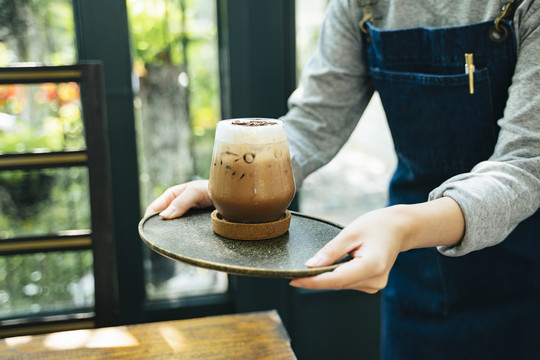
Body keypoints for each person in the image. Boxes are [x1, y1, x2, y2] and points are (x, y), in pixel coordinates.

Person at [146, 0, 540, 358]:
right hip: (415, 266)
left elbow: (526, 162)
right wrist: (237, 185)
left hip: (521, 267)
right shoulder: (362, 5)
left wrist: (403, 225)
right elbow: (315, 122)